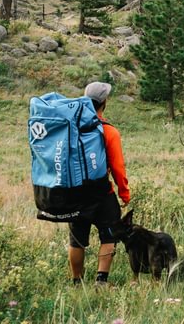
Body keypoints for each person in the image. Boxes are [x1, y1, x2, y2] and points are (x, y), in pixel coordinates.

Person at [68, 81, 130, 285]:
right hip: (102, 194)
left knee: (77, 240)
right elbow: (118, 167)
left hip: (75, 193)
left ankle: (76, 282)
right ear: (104, 102)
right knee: (109, 237)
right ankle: (101, 281)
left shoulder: (71, 128)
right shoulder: (109, 131)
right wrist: (124, 193)